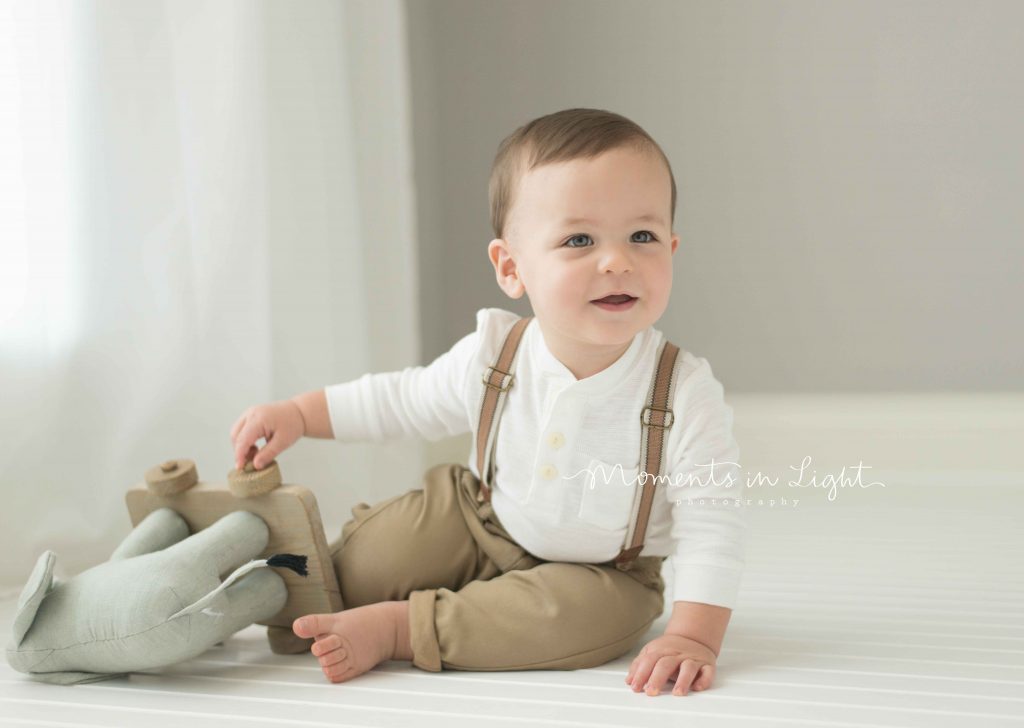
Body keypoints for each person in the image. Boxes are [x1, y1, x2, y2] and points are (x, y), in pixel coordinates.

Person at [229, 108, 747, 697]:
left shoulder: (681, 390)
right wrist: (300, 415)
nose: (617, 260)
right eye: (580, 239)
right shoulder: (496, 353)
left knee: (576, 622)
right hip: (480, 519)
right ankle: (288, 600)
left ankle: (403, 628)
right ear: (511, 267)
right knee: (379, 554)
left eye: (643, 237)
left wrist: (694, 636)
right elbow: (401, 400)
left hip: (603, 572)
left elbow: (714, 521)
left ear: (672, 249)